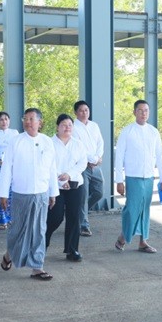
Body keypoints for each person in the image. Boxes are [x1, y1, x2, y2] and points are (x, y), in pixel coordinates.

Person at [0, 108, 59, 280]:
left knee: (39, 230)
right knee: (18, 230)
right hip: (21, 193)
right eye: (25, 119)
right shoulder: (16, 141)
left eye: (31, 119)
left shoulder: (47, 142)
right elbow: (7, 168)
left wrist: (53, 192)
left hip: (41, 193)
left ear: (40, 122)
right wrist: (3, 194)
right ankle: (9, 254)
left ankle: (37, 266)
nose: (28, 122)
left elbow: (52, 168)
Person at [113, 100, 162, 254]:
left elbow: (160, 156)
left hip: (148, 176)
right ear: (134, 112)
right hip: (133, 176)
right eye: (140, 110)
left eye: (146, 110)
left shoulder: (153, 132)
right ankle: (123, 236)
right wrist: (119, 181)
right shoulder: (127, 131)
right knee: (131, 209)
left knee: (145, 209)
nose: (143, 113)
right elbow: (119, 157)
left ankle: (143, 242)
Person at [45, 114, 88, 262]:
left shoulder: (78, 144)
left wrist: (69, 175)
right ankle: (42, 244)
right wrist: (61, 179)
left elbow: (82, 163)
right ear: (57, 127)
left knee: (74, 217)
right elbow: (48, 165)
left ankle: (72, 250)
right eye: (64, 124)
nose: (67, 127)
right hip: (55, 186)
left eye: (70, 125)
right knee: (55, 217)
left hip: (75, 185)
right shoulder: (49, 143)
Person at [72, 100, 105, 237]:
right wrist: (92, 159)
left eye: (86, 110)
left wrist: (97, 158)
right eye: (81, 110)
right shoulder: (73, 127)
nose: (84, 113)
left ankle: (78, 212)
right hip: (82, 166)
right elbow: (78, 148)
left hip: (95, 165)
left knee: (99, 192)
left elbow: (100, 143)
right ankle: (83, 225)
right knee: (83, 195)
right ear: (75, 112)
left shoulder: (94, 126)